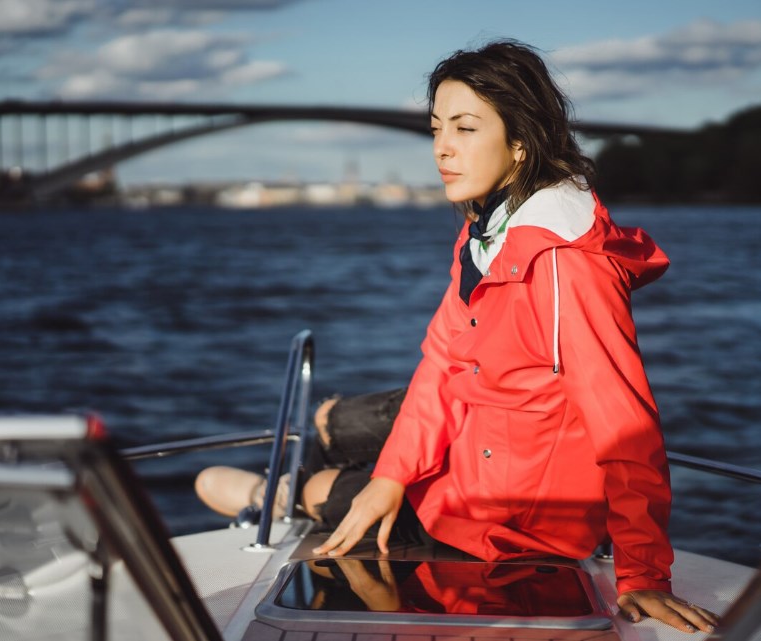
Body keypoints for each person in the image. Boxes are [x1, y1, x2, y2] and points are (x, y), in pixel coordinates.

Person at [197, 39, 718, 634]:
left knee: (228, 483)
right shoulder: (486, 233)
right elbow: (444, 359)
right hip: (478, 440)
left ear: (519, 144)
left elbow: (626, 423)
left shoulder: (566, 266)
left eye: (466, 129)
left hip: (504, 518)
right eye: (438, 127)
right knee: (326, 421)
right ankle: (336, 475)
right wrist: (392, 477)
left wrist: (644, 574)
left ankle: (290, 492)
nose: (442, 148)